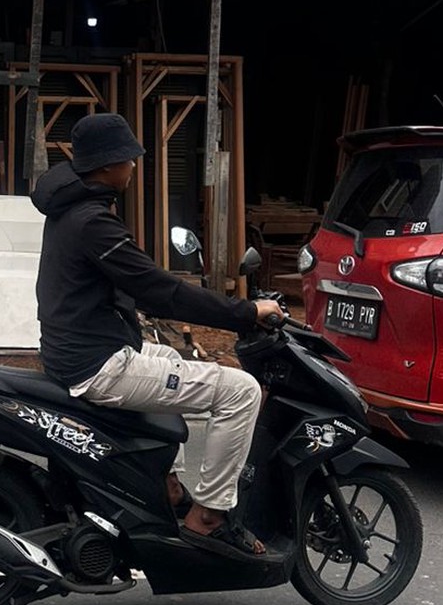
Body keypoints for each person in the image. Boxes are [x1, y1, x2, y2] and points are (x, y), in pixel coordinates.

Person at [32, 113, 285, 560]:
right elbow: (163, 291)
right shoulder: (94, 222)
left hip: (78, 349)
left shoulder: (72, 212)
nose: (134, 167)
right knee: (242, 391)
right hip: (99, 364)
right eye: (130, 159)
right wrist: (247, 312)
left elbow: (124, 285)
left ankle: (166, 486)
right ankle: (209, 517)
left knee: (170, 356)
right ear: (110, 165)